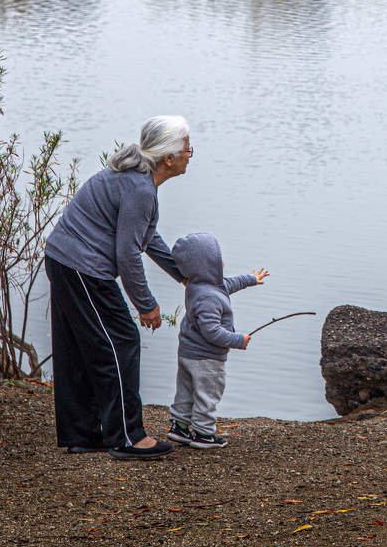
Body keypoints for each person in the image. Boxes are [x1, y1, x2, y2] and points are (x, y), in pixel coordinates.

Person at [43, 115, 192, 461]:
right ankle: (127, 437)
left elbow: (146, 236)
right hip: (82, 267)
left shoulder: (139, 180)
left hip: (65, 260)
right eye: (187, 149)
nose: (189, 155)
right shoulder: (140, 188)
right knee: (121, 342)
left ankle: (84, 434)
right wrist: (146, 305)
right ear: (168, 158)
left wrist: (181, 274)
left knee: (83, 348)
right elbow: (127, 254)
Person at [166, 233, 269, 448]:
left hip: (188, 352)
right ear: (205, 264)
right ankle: (204, 434)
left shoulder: (199, 285)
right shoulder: (209, 297)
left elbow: (230, 283)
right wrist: (237, 340)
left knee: (186, 389)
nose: (221, 260)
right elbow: (211, 332)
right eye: (216, 257)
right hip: (206, 357)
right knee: (208, 392)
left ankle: (180, 427)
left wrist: (251, 279)